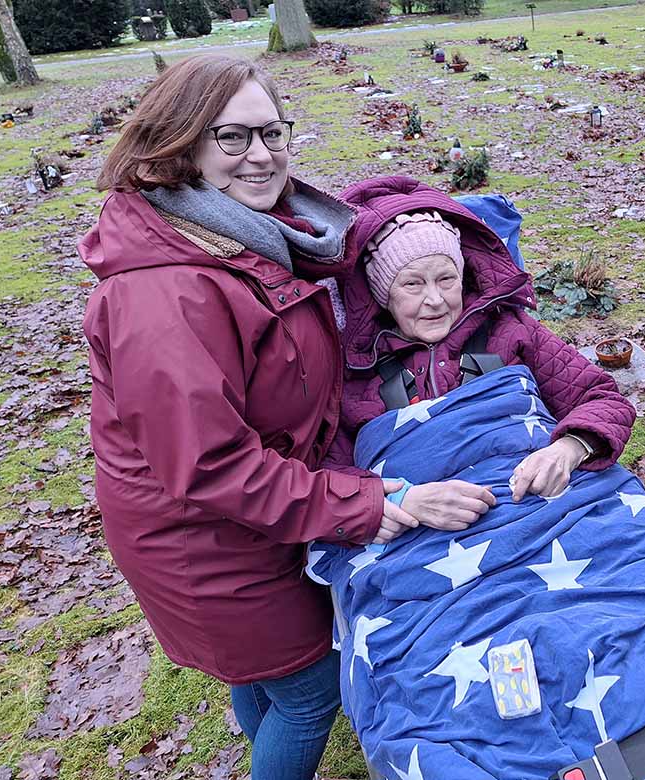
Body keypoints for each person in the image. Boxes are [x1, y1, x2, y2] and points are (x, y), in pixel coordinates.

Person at [79, 55, 420, 780]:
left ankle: (259, 726)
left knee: (263, 672)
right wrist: (356, 503)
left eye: (272, 133)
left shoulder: (238, 238)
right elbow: (208, 465)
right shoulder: (166, 292)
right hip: (203, 538)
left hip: (252, 515)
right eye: (231, 138)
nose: (261, 156)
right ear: (180, 147)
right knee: (309, 688)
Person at [330, 177, 637, 505]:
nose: (434, 299)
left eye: (446, 279)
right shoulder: (356, 369)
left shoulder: (511, 330)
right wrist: (400, 498)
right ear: (383, 295)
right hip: (423, 529)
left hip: (544, 500)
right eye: (413, 284)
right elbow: (327, 474)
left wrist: (570, 447)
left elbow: (604, 399)